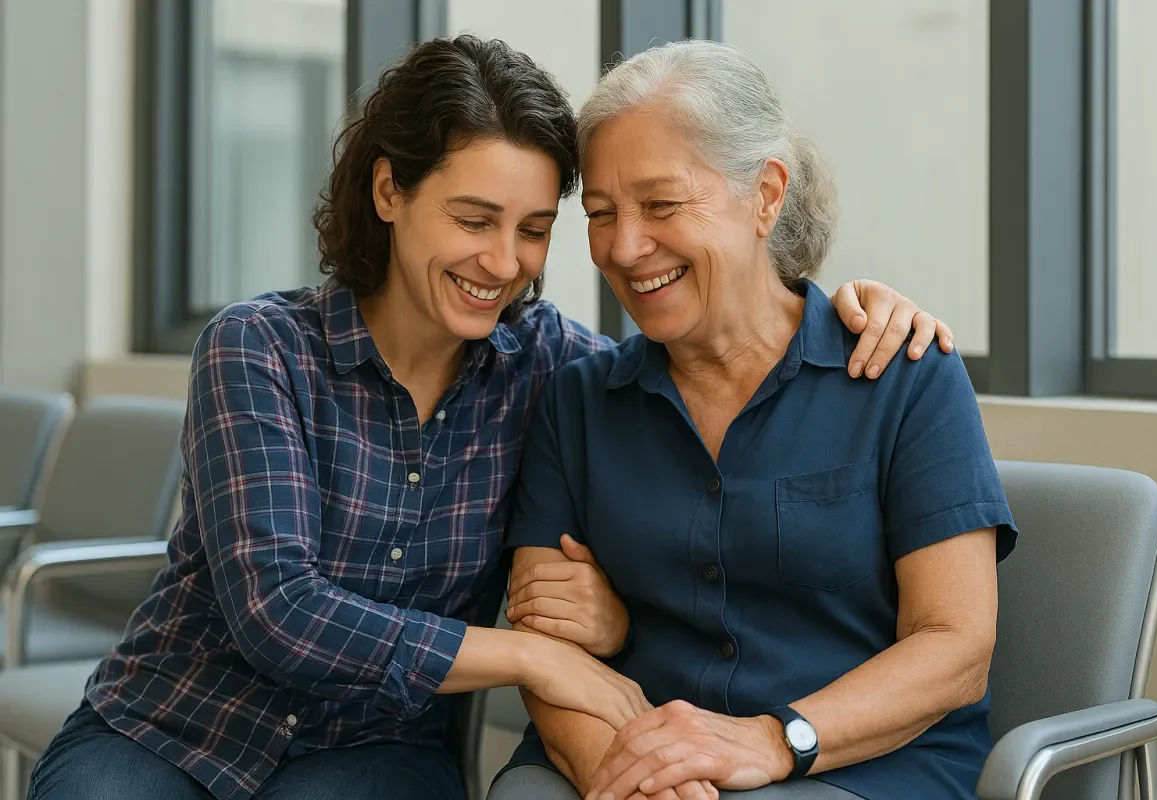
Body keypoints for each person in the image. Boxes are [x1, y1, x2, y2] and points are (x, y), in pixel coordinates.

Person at [28, 36, 953, 800]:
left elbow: (709, 358)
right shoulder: (259, 348)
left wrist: (857, 307)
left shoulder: (555, 369)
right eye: (474, 219)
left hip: (373, 748)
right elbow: (279, 611)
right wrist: (536, 658)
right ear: (390, 192)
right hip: (177, 721)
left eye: (535, 228)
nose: (504, 262)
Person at [490, 39, 1017, 800]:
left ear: (767, 195)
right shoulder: (576, 403)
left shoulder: (906, 378)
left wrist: (777, 740)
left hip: (856, 767)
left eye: (663, 204)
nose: (626, 247)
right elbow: (546, 647)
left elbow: (956, 646)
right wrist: (631, 775)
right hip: (629, 752)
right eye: (601, 215)